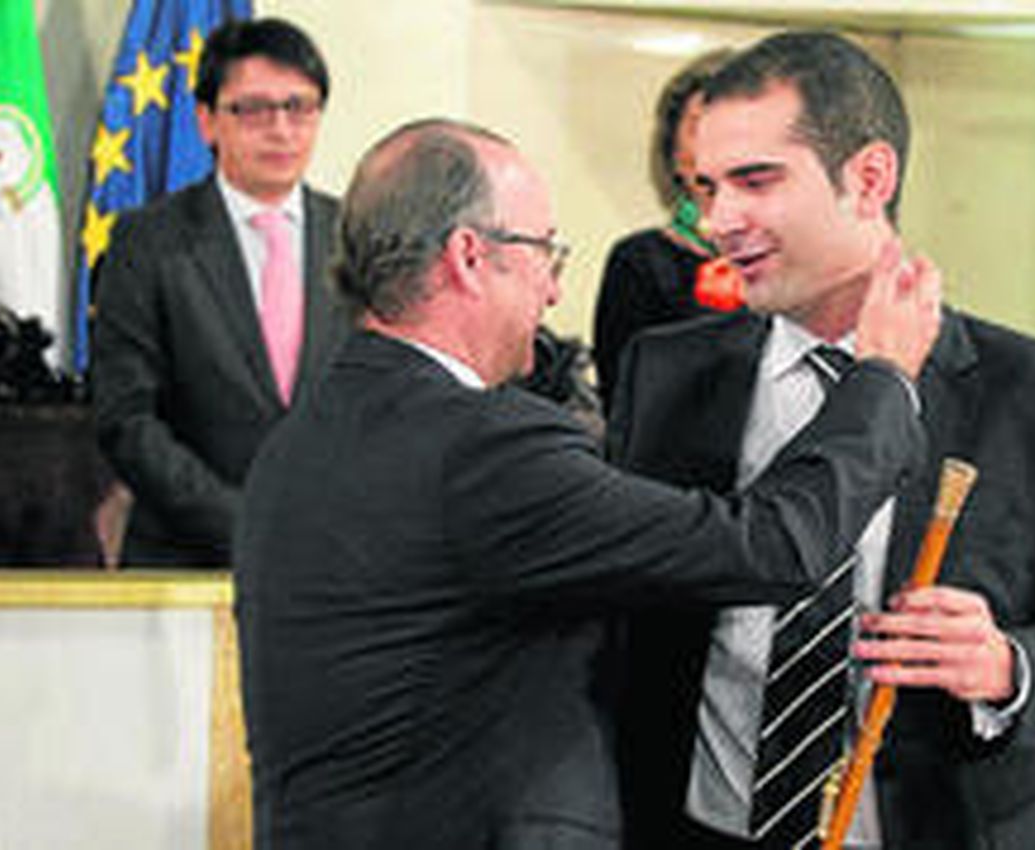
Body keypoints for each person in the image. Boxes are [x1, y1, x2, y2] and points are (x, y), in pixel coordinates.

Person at [233, 117, 940, 849]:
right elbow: (770, 547)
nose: (553, 288)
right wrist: (883, 379)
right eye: (544, 250)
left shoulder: (307, 433)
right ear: (469, 257)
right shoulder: (485, 450)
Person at [608, 31, 1035, 850]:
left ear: (870, 178)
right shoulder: (664, 372)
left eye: (756, 181)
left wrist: (1007, 667)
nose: (718, 220)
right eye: (706, 187)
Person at [91, 18, 349, 566]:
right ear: (207, 121)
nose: (281, 129)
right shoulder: (147, 242)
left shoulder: (356, 239)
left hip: (331, 558)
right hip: (185, 559)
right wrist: (242, 524)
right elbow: (126, 418)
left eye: (299, 107)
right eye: (253, 109)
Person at [591, 48, 733, 409]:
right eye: (699, 126)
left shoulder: (792, 260)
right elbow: (620, 400)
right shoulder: (637, 261)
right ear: (673, 153)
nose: (717, 145)